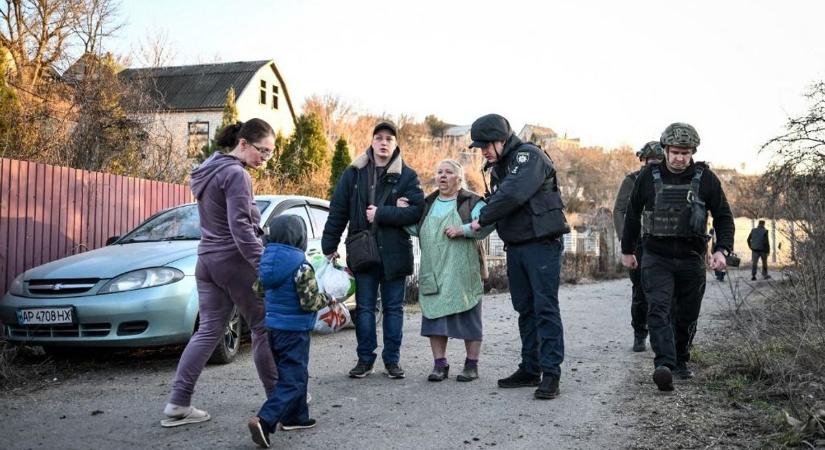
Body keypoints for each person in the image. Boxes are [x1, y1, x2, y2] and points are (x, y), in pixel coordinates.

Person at [161, 119, 279, 427]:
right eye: (263, 151)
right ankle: (281, 399)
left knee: (209, 330)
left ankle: (178, 404)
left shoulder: (209, 170)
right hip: (235, 261)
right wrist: (263, 265)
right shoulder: (236, 174)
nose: (265, 159)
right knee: (263, 328)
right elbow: (240, 227)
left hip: (207, 260)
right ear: (243, 143)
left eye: (270, 153)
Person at [621, 122, 735, 392]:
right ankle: (664, 365)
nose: (680, 158)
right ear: (665, 150)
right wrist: (627, 250)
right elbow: (632, 213)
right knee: (658, 309)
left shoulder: (706, 179)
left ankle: (681, 359)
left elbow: (723, 216)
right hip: (656, 255)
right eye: (675, 152)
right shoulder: (647, 177)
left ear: (692, 152)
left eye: (685, 153)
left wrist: (722, 250)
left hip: (691, 256)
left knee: (687, 313)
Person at [468, 113, 571, 400]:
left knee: (544, 308)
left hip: (541, 244)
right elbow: (499, 199)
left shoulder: (529, 157)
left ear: (501, 139)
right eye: (479, 146)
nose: (483, 151)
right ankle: (531, 368)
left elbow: (514, 194)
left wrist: (482, 218)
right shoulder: (499, 167)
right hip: (516, 245)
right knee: (525, 308)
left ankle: (550, 373)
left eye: (486, 145)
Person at [322, 121, 424, 379]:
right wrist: (329, 245)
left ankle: (392, 361)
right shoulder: (353, 173)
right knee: (365, 308)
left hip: (395, 251)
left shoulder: (408, 176)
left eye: (389, 139)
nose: (383, 142)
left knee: (393, 309)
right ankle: (365, 360)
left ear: (396, 144)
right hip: (362, 250)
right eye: (379, 138)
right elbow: (338, 210)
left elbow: (417, 211)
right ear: (372, 141)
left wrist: (383, 213)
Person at [398, 160, 495, 382]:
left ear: (459, 179)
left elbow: (488, 223)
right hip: (433, 270)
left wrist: (464, 229)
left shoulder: (471, 202)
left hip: (462, 273)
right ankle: (440, 365)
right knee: (435, 318)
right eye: (439, 172)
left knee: (470, 320)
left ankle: (471, 366)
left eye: (448, 172)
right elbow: (414, 228)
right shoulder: (427, 203)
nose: (442, 175)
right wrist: (401, 213)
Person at [247, 215, 332, 449]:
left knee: (294, 374)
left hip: (273, 329)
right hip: (295, 330)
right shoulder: (301, 266)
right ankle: (264, 420)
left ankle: (297, 417)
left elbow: (258, 290)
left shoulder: (267, 262)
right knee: (293, 379)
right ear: (299, 237)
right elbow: (309, 302)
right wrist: (328, 298)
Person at [612, 141, 664, 352]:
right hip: (639, 243)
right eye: (651, 160)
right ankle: (640, 333)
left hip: (665, 241)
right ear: (643, 160)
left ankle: (663, 336)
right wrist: (625, 241)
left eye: (659, 160)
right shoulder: (632, 180)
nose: (655, 164)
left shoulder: (673, 180)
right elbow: (619, 211)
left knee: (666, 293)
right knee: (641, 292)